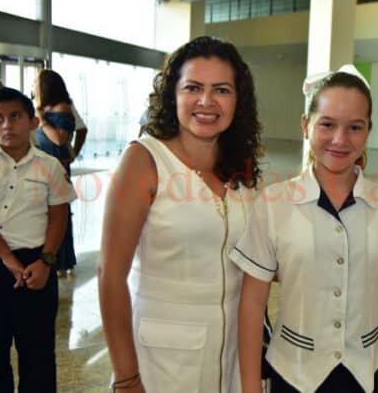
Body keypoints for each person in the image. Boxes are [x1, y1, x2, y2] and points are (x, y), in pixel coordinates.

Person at [232, 65, 378, 393]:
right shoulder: (274, 202)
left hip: (367, 373)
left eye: (355, 127)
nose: (340, 139)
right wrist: (250, 387)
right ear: (305, 125)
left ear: (368, 130)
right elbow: (252, 302)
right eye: (327, 124)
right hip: (295, 373)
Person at [98, 36, 263, 393]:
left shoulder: (240, 166)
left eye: (222, 90)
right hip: (163, 361)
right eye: (193, 88)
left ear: (238, 100)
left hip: (232, 354)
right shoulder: (145, 160)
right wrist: (126, 378)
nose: (206, 101)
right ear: (173, 95)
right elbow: (110, 275)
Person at [0, 87, 77, 392]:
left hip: (37, 266)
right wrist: (8, 260)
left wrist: (46, 261)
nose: (7, 125)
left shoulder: (49, 165)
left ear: (32, 121)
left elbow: (58, 216)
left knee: (38, 354)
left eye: (15, 116)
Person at [34, 69, 77, 276]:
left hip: (56, 166)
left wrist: (42, 120)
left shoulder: (62, 108)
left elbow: (59, 139)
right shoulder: (45, 108)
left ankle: (63, 262)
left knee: (59, 213)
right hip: (44, 164)